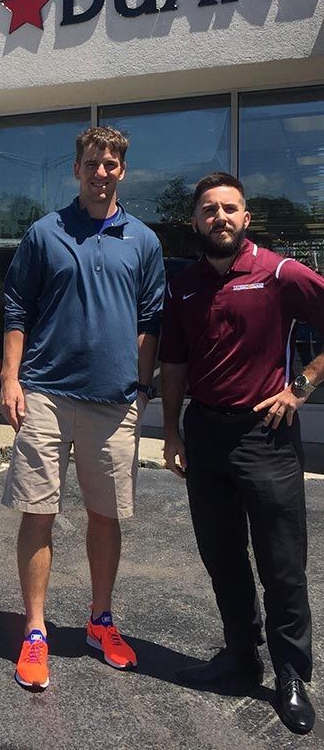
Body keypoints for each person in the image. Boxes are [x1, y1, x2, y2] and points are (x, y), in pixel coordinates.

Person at [0, 126, 165, 691]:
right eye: (92, 162)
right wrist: (9, 377)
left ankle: (100, 622)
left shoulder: (142, 241)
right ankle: (36, 631)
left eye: (111, 164)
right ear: (77, 169)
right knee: (39, 511)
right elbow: (17, 306)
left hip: (114, 402)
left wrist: (142, 390)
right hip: (45, 392)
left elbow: (150, 323)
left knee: (105, 515)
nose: (101, 172)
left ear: (123, 171)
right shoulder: (45, 234)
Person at [160, 171, 324, 735]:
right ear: (195, 222)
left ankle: (292, 676)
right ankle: (240, 656)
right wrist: (173, 432)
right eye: (209, 210)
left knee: (282, 565)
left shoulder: (280, 273)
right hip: (204, 435)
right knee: (223, 558)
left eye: (230, 208)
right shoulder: (182, 286)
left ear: (245, 218)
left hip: (266, 437)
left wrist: (301, 385)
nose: (220, 218)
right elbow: (174, 364)